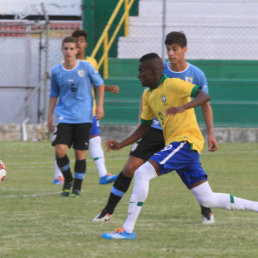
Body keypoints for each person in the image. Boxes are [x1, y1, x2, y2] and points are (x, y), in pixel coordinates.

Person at [101, 53, 258, 240]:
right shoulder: (149, 95)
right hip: (181, 148)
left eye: (141, 72)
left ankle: (127, 229)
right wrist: (121, 144)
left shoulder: (173, 84)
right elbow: (144, 127)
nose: (138, 76)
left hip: (185, 142)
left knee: (142, 172)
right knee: (207, 199)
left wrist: (183, 107)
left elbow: (204, 96)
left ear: (153, 73)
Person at [93, 31, 218, 224]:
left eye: (175, 49)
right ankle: (107, 211)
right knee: (130, 168)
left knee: (191, 170)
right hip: (155, 129)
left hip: (180, 133)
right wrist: (139, 125)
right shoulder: (158, 70)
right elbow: (147, 100)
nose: (171, 53)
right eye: (168, 49)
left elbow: (205, 103)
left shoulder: (196, 74)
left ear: (185, 50)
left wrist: (211, 133)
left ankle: (206, 210)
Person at [53, 29, 118, 185]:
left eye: (81, 41)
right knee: (62, 145)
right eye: (76, 41)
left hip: (89, 110)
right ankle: (59, 176)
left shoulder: (91, 62)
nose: (79, 44)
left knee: (94, 140)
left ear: (85, 44)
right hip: (69, 112)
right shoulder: (63, 67)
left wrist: (108, 90)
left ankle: (103, 174)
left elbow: (95, 84)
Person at [48, 36, 105, 198]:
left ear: (77, 50)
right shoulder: (56, 71)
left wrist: (100, 106)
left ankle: (77, 188)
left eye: (71, 49)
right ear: (62, 50)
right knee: (60, 150)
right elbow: (53, 95)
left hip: (84, 116)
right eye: (65, 48)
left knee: (80, 153)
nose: (68, 51)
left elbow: (99, 84)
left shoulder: (86, 67)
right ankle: (68, 180)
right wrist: (49, 117)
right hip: (64, 116)